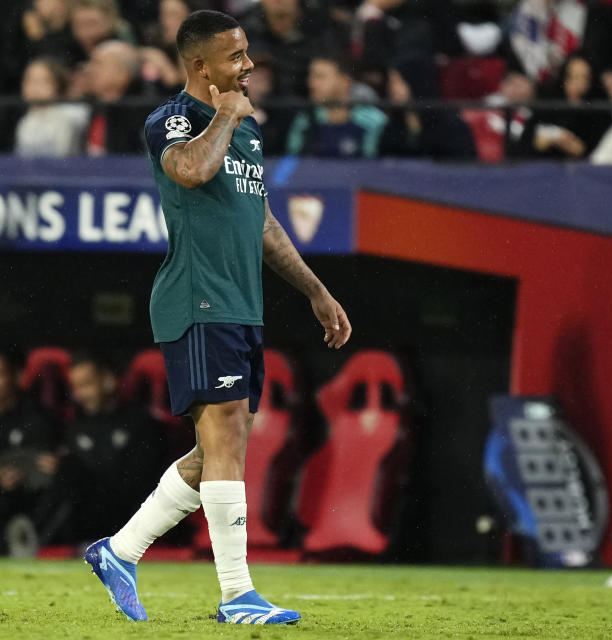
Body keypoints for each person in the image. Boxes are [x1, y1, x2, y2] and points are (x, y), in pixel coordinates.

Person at [83, 9, 352, 625]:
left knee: (215, 456)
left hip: (241, 305)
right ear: (200, 65)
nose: (249, 65)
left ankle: (119, 552)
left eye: (248, 53)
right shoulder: (172, 119)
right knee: (226, 438)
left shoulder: (247, 132)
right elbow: (189, 169)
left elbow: (258, 220)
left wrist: (315, 290)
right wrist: (227, 115)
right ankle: (237, 595)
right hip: (196, 298)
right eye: (235, 57)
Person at [40, 353, 163, 545]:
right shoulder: (75, 427)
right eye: (76, 387)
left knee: (70, 470)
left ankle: (36, 540)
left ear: (108, 380)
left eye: (86, 385)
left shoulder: (140, 423)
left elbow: (140, 484)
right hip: (85, 518)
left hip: (131, 516)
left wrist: (74, 470)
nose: (79, 394)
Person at [0, 348, 58, 555]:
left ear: (17, 375)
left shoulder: (38, 416)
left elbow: (45, 465)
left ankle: (32, 542)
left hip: (32, 500)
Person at [286, 52, 387, 158]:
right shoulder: (305, 119)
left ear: (345, 81)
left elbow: (376, 168)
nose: (311, 83)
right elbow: (293, 164)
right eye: (311, 76)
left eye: (320, 77)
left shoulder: (373, 121)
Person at [516, 54, 610, 160]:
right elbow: (522, 151)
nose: (579, 84)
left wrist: (581, 151)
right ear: (564, 79)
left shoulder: (599, 112)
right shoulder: (548, 107)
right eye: (573, 77)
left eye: (584, 78)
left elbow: (603, 155)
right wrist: (539, 144)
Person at [15, 57, 89, 157]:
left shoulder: (69, 116)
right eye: (29, 80)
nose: (34, 87)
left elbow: (64, 156)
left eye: (42, 81)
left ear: (57, 84)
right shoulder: (25, 121)